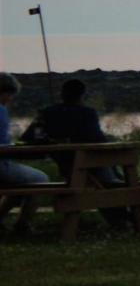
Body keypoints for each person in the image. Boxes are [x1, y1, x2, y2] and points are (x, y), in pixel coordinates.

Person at [26, 78, 129, 228]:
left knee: (107, 179)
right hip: (90, 166)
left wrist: (50, 139)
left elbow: (30, 137)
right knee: (110, 180)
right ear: (82, 95)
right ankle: (121, 219)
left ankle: (120, 218)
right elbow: (99, 140)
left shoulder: (48, 113)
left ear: (61, 94)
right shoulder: (87, 113)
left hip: (66, 166)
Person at [0, 72, 49, 235]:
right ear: (5, 92)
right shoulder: (1, 110)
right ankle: (23, 225)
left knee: (20, 185)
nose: (10, 99)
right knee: (41, 179)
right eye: (10, 95)